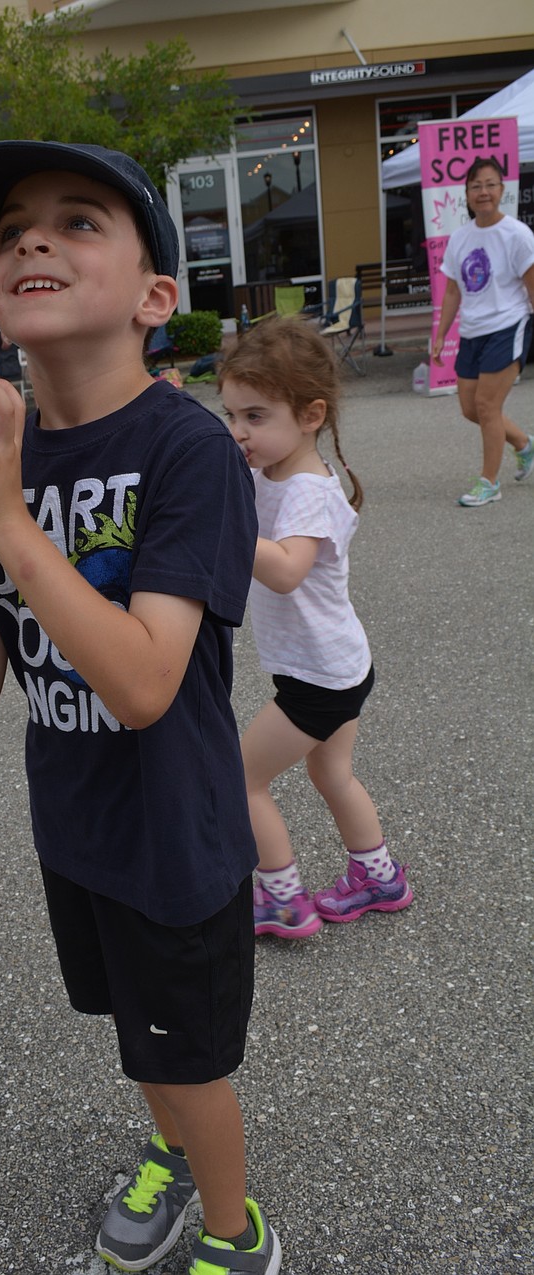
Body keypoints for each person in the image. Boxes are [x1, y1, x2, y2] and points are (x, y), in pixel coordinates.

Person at [0, 141, 281, 1275]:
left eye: (79, 222)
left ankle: (238, 1233)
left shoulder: (186, 450)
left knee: (189, 1057)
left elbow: (140, 685)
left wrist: (12, 522)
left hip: (174, 831)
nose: (32, 236)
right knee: (139, 1038)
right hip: (77, 823)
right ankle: (170, 1157)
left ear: (152, 298)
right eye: (13, 226)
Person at [219, 317, 413, 939]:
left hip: (319, 678)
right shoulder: (269, 472)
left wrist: (223, 529)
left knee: (240, 777)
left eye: (254, 416)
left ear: (310, 415)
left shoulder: (305, 488)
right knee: (331, 774)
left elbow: (285, 571)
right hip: (338, 663)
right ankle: (378, 877)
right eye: (230, 415)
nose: (238, 432)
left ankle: (281, 899)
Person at [432, 156, 534, 507]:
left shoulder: (518, 235)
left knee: (487, 406)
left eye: (490, 184)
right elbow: (452, 290)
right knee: (470, 408)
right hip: (472, 330)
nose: (483, 192)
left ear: (502, 190)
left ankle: (489, 482)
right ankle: (524, 444)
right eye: (476, 186)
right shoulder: (460, 237)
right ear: (467, 194)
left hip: (508, 324)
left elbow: (532, 285)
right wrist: (441, 334)